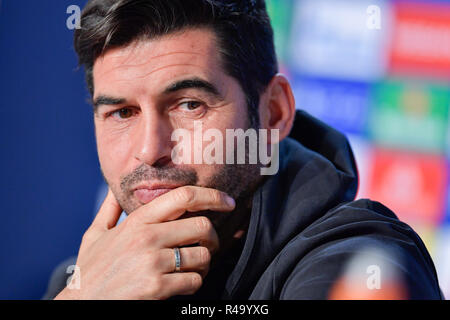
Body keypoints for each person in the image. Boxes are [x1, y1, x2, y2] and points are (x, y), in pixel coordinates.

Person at [45, 0, 443, 300]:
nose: (150, 150)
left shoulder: (352, 264)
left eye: (189, 105)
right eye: (122, 112)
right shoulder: (89, 279)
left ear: (273, 113)